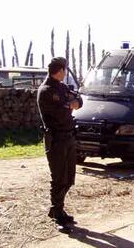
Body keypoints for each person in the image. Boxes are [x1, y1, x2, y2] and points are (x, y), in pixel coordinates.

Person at [37, 57, 83, 227]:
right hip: (56, 139)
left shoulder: (62, 87)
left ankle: (57, 209)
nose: (66, 73)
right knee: (59, 178)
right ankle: (57, 212)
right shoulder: (47, 90)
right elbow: (62, 112)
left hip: (69, 137)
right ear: (61, 70)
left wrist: (74, 103)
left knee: (69, 178)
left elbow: (78, 100)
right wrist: (71, 105)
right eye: (65, 70)